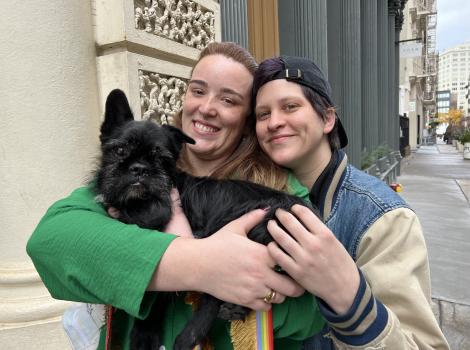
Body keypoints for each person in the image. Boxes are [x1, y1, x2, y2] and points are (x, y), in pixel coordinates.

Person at [26, 43, 324, 349]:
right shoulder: (127, 177)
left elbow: (314, 312)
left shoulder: (281, 188)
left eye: (228, 99)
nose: (207, 107)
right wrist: (194, 262)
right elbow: (50, 242)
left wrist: (251, 291)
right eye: (198, 91)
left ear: (247, 120)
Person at [252, 56, 449, 349]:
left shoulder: (383, 217)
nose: (274, 122)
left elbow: (422, 344)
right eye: (262, 114)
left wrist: (349, 299)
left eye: (290, 107)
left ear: (328, 119)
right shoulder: (254, 200)